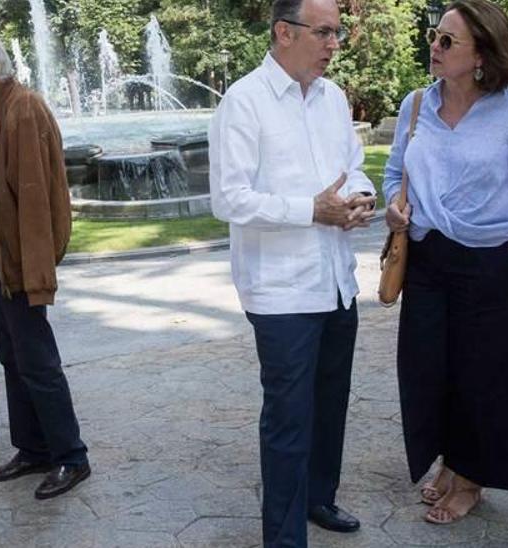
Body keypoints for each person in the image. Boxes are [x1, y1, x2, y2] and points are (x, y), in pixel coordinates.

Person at [383, 0, 508, 525]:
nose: (433, 47)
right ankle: (448, 461)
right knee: (428, 370)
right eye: (434, 36)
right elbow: (396, 172)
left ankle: (471, 478)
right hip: (427, 259)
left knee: (483, 376)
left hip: (490, 266)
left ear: (481, 53)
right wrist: (395, 205)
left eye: (447, 41)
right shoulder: (416, 105)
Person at [209, 0, 377, 544]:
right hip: (281, 292)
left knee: (330, 404)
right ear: (284, 32)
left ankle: (318, 498)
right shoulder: (243, 102)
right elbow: (230, 199)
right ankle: (283, 538)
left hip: (336, 281)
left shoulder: (331, 99)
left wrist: (360, 199)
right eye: (324, 32)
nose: (334, 43)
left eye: (337, 32)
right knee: (288, 420)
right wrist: (311, 210)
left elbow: (353, 166)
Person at [0, 33, 91, 500]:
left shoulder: (22, 110)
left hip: (15, 260)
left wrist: (35, 273)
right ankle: (33, 448)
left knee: (38, 362)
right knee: (15, 359)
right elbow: (0, 188)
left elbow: (34, 199)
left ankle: (71, 457)